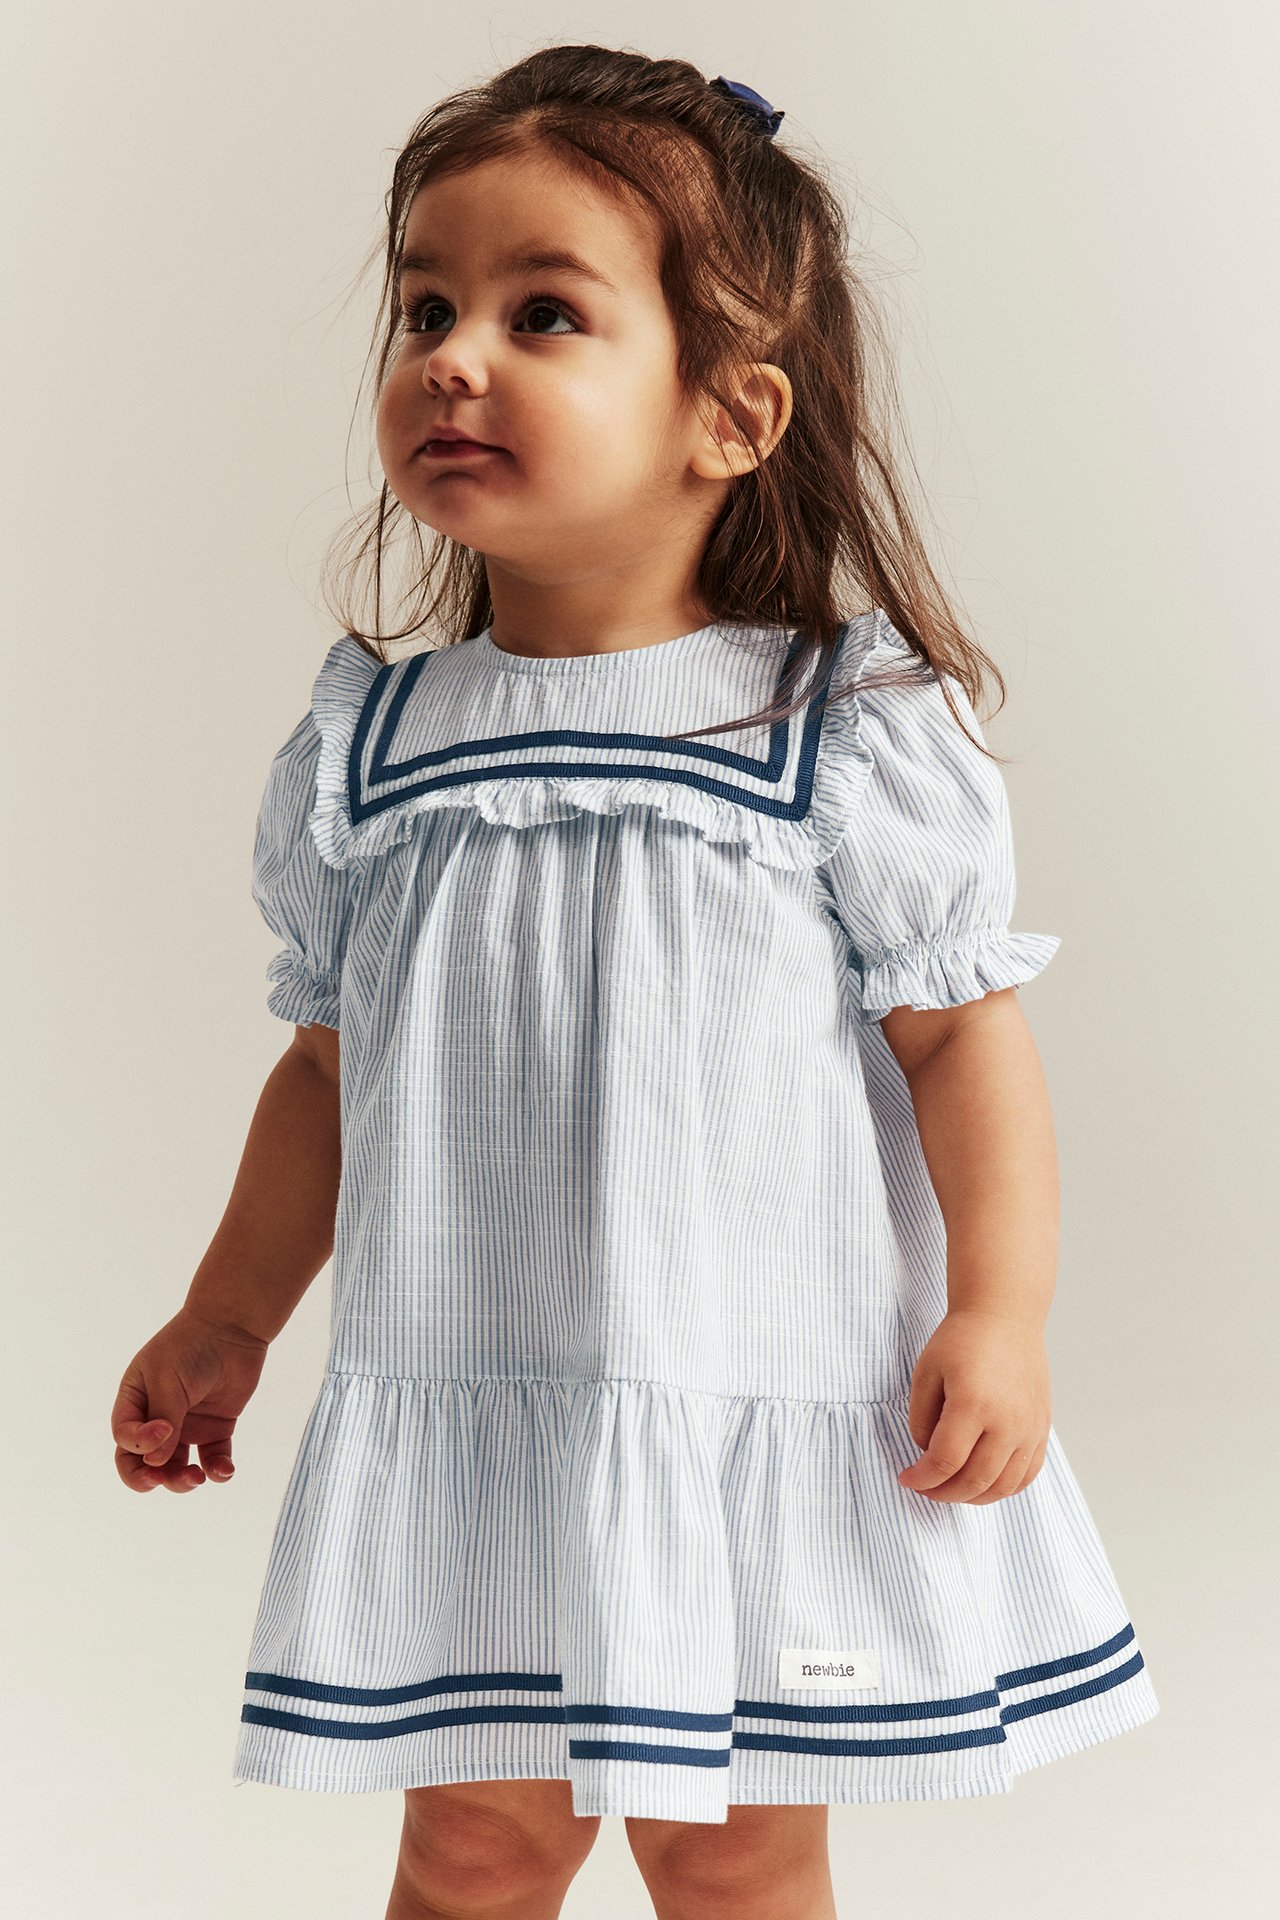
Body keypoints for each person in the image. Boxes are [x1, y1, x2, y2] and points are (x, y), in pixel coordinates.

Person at [110, 44, 1159, 1920]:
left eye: (545, 314)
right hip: (475, 1400)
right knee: (474, 1839)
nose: (454, 355)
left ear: (731, 415)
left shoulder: (829, 727)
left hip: (747, 1398)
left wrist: (1001, 1310)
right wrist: (230, 1316)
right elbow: (329, 1074)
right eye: (428, 303)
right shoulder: (380, 740)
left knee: (735, 1846)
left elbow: (961, 1037)